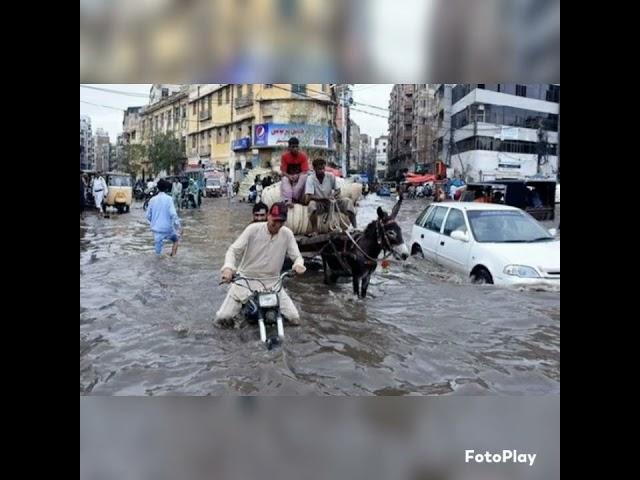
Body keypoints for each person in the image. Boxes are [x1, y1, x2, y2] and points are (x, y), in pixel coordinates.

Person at [215, 202, 306, 328]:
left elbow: (297, 257)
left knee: (294, 319)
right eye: (274, 220)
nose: (276, 224)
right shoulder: (253, 230)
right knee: (222, 318)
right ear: (268, 216)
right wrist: (228, 268)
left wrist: (298, 265)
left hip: (273, 283)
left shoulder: (287, 234)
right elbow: (233, 250)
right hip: (245, 281)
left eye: (280, 221)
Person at [304, 157, 357, 232]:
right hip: (319, 203)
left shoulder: (330, 176)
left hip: (331, 202)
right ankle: (315, 230)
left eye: (323, 168)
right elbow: (308, 197)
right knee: (312, 205)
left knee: (348, 202)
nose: (322, 171)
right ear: (314, 169)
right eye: (319, 169)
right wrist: (324, 199)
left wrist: (333, 196)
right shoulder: (310, 179)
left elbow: (338, 190)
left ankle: (355, 227)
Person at [146, 179, 181, 256]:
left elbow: (147, 216)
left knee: (158, 254)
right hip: (168, 229)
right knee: (176, 240)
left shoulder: (152, 200)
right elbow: (173, 214)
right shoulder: (169, 199)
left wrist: (154, 222)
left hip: (157, 230)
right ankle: (173, 257)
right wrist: (178, 227)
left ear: (157, 188)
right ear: (166, 189)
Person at [280, 137, 310, 206]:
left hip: (299, 177)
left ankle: (294, 197)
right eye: (293, 147)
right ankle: (288, 200)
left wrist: (298, 175)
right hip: (289, 177)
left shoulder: (303, 156)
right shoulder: (284, 156)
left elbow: (305, 171)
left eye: (296, 147)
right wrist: (289, 176)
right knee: (284, 179)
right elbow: (283, 171)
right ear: (289, 147)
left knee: (304, 176)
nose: (295, 149)